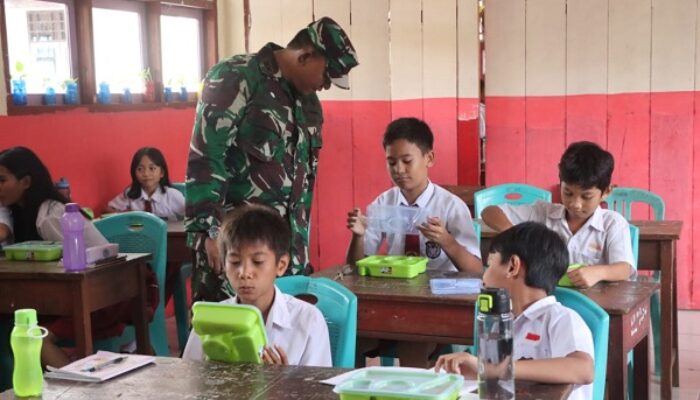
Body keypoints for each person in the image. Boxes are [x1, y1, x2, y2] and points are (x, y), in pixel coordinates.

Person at [185, 16, 359, 303]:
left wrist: (297, 255)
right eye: (327, 76)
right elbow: (206, 156)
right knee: (226, 337)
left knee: (283, 341)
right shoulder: (237, 77)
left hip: (285, 257)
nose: (326, 86)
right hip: (238, 253)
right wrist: (207, 232)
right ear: (305, 55)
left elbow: (302, 187)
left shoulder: (309, 104)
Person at [345, 117, 482, 367]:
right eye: (391, 162)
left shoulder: (451, 207)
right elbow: (356, 266)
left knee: (414, 340)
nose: (398, 169)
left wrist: (446, 241)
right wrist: (359, 235)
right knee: (351, 335)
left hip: (439, 307)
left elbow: (475, 272)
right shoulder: (382, 204)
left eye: (407, 161)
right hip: (394, 300)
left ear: (429, 158)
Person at [435, 222, 594, 400]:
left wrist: (494, 369)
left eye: (489, 265)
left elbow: (583, 369)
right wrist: (477, 372)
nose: (483, 277)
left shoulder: (562, 318)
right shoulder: (500, 323)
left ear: (512, 266)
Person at [0, 146, 111, 368]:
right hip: (63, 298)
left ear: (26, 182)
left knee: (33, 335)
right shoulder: (19, 213)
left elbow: (74, 266)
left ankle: (78, 388)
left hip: (97, 296)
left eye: (2, 180)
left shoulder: (49, 214)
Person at [182, 204, 332, 367]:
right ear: (224, 266)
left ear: (281, 265)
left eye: (258, 262)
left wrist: (283, 383)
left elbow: (317, 390)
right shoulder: (210, 321)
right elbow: (190, 381)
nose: (244, 272)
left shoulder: (308, 321)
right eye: (235, 262)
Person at [481, 141, 634, 288]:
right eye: (568, 193)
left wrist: (598, 273)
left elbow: (624, 268)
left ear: (606, 191)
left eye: (586, 196)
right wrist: (513, 234)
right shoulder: (543, 213)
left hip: (596, 304)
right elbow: (489, 212)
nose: (575, 203)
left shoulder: (612, 224)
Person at [106, 147, 184, 221]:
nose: (146, 174)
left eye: (152, 168)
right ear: (134, 173)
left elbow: (192, 217)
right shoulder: (131, 193)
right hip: (139, 234)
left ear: (162, 173)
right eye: (140, 169)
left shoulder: (172, 195)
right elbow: (107, 209)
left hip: (168, 234)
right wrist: (128, 218)